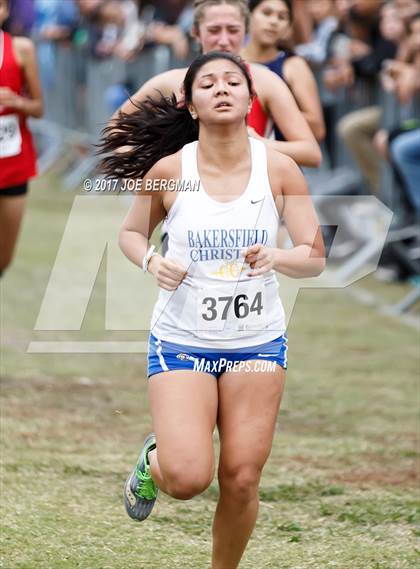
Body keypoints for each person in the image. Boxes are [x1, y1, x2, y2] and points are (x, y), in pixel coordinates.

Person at [99, 51, 325, 569]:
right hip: (182, 340)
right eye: (208, 84)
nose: (222, 89)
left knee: (242, 478)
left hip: (257, 341)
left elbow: (313, 256)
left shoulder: (280, 169)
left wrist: (278, 256)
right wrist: (152, 261)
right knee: (186, 478)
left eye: (232, 82)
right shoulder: (169, 171)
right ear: (191, 104)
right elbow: (131, 234)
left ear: (250, 99)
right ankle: (155, 459)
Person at [112, 0, 322, 167]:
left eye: (232, 30)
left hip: (249, 209)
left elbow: (310, 153)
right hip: (187, 212)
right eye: (214, 30)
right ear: (196, 32)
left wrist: (259, 144)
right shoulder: (172, 80)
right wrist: (146, 176)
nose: (223, 40)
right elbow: (116, 129)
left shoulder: (265, 80)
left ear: (246, 31)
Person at [0, 0, 43, 278]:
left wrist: (16, 101)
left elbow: (39, 108)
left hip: (13, 167)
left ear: (5, 10)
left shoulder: (21, 49)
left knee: (4, 259)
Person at [241, 0, 325, 141]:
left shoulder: (293, 65)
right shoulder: (230, 61)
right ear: (249, 15)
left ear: (288, 27)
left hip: (279, 156)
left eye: (282, 17)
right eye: (266, 13)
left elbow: (318, 129)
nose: (274, 21)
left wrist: (273, 108)